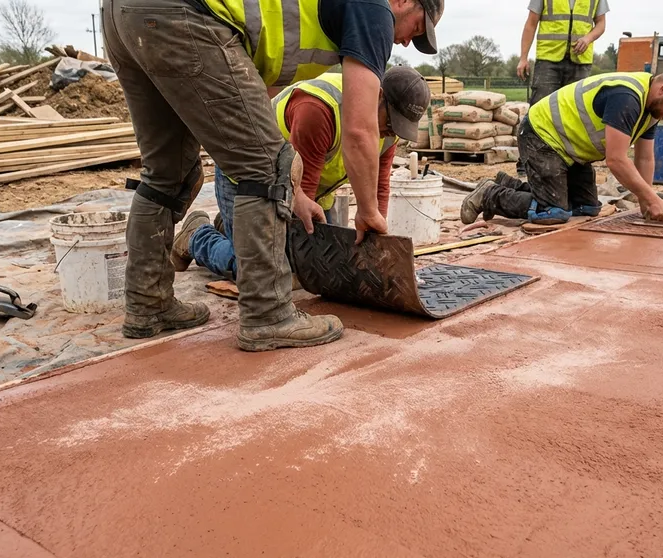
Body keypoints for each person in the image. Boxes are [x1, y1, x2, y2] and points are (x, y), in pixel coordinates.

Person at [102, 0, 443, 350]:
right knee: (267, 167)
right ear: (404, 1)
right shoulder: (374, 8)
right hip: (183, 14)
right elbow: (360, 129)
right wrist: (369, 214)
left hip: (126, 14)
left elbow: (252, 92)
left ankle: (148, 306)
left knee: (167, 175)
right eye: (415, 29)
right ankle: (268, 315)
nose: (403, 43)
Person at [170, 67, 432, 281]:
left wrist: (378, 238)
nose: (391, 132)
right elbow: (298, 196)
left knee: (327, 263)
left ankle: (236, 231)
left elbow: (378, 189)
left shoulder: (387, 134)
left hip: (301, 191)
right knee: (264, 273)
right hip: (246, 178)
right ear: (377, 95)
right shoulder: (320, 110)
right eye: (390, 122)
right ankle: (197, 236)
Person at [461, 67, 663, 226]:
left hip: (571, 149)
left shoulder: (652, 110)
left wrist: (646, 202)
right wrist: (654, 198)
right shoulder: (626, 97)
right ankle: (490, 195)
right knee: (554, 212)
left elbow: (645, 159)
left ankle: (507, 185)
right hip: (542, 136)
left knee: (587, 208)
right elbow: (616, 160)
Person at [516, 0, 608, 176]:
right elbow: (531, 22)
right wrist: (523, 57)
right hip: (548, 59)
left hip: (580, 61)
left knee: (576, 114)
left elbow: (601, 24)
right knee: (537, 110)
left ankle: (570, 162)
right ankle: (526, 160)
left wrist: (588, 38)